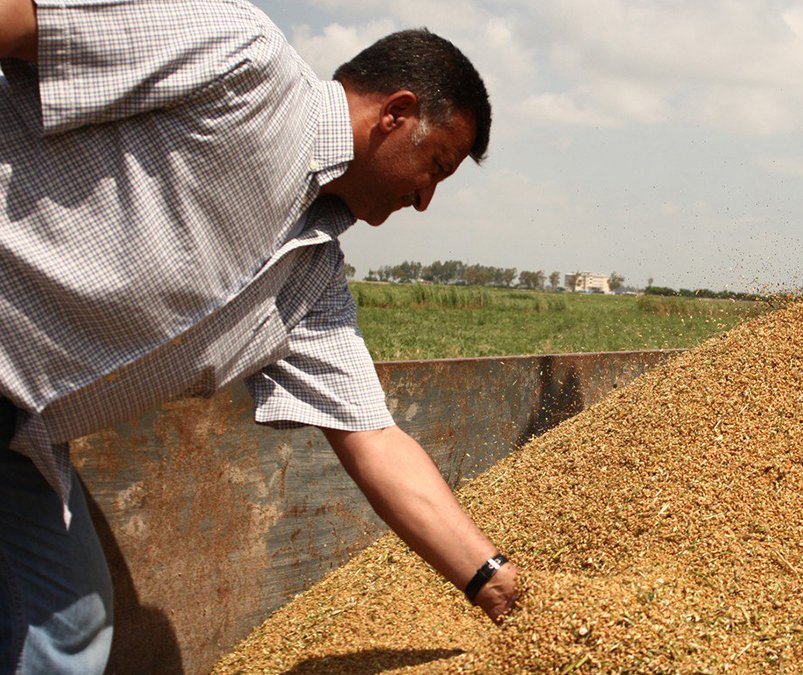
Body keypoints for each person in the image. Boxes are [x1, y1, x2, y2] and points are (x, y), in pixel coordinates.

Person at [0, 0, 519, 672]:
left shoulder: (310, 281)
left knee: (68, 627)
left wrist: (491, 578)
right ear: (394, 115)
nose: (425, 200)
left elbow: (375, 438)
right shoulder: (240, 59)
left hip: (23, 438)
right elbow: (22, 23)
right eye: (436, 167)